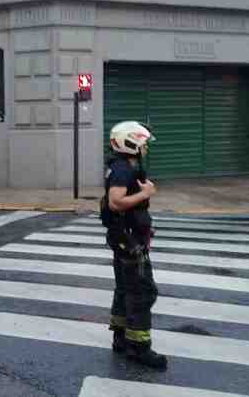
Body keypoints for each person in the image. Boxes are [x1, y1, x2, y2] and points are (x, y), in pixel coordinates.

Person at [101, 120, 167, 370]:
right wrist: (146, 194)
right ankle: (139, 348)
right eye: (142, 143)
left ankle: (120, 338)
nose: (145, 148)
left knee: (125, 287)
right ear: (130, 144)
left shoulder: (120, 166)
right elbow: (115, 202)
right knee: (142, 291)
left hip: (123, 237)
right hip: (129, 240)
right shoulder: (122, 170)